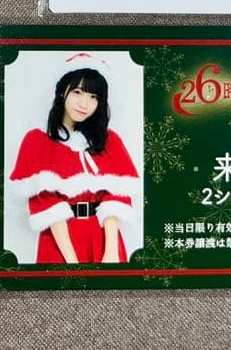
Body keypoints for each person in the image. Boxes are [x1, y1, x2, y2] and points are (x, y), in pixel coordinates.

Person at [8, 55, 139, 264]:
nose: (84, 103)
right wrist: (71, 261)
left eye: (93, 96)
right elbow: (45, 202)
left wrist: (111, 252)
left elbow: (117, 197)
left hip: (103, 239)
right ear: (63, 91)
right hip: (59, 242)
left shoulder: (108, 140)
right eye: (77, 92)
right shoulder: (37, 140)